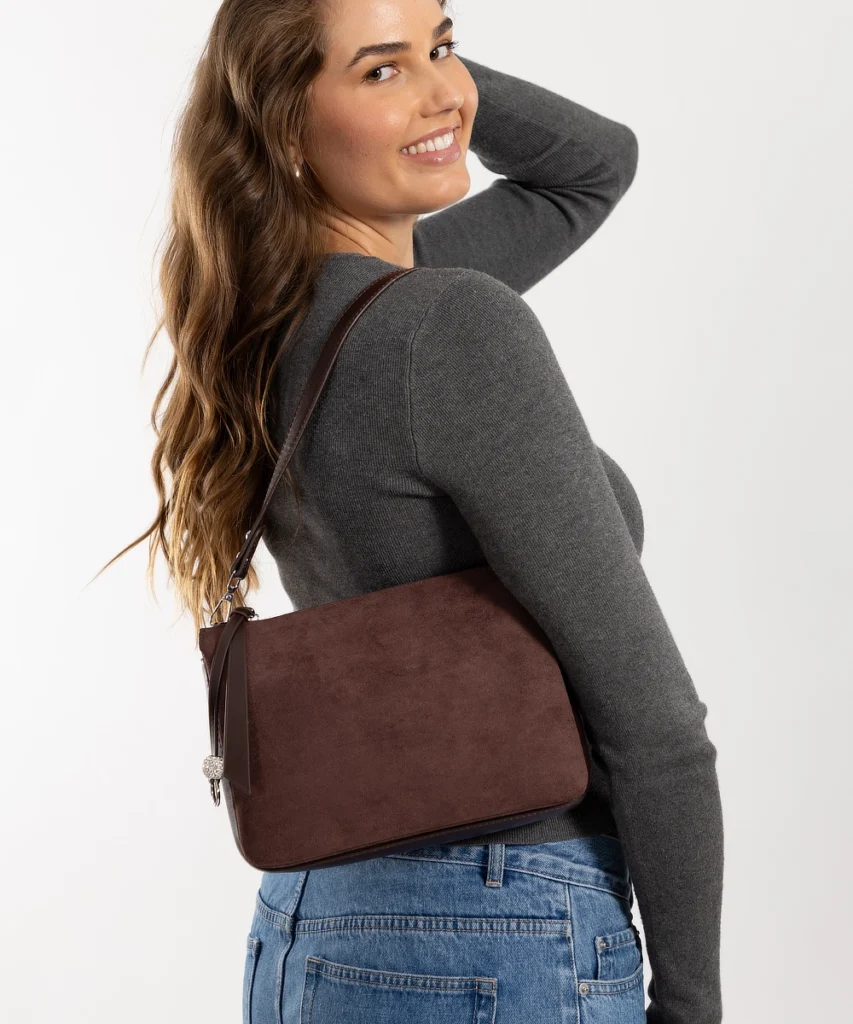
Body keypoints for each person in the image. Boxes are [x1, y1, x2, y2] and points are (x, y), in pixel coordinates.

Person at [108, 0, 724, 1020]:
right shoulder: (446, 324)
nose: (443, 91)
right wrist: (691, 1004)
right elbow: (657, 729)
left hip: (312, 923)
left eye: (444, 44)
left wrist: (420, 78)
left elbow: (592, 167)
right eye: (378, 72)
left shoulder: (270, 322)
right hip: (500, 927)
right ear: (285, 125)